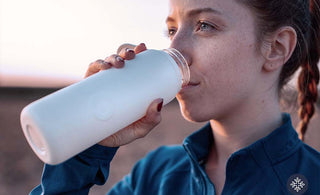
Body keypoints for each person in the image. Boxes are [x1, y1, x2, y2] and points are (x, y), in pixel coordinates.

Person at [30, 0, 320, 194]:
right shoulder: (156, 174)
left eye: (205, 25)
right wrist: (87, 144)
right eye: (172, 30)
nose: (176, 48)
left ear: (277, 48)